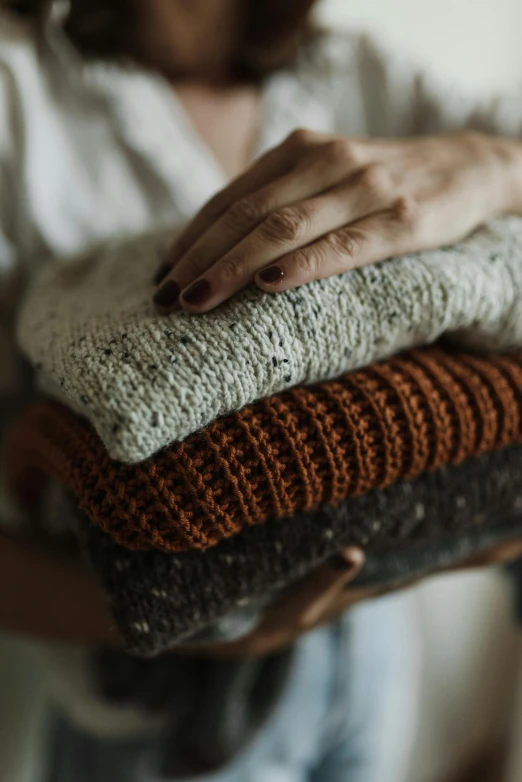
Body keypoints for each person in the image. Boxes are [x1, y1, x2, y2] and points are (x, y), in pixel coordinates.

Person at [1, 1, 522, 780]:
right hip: (153, 720)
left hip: (372, 645)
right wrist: (195, 619)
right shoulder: (19, 94)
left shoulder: (357, 71)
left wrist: (495, 165)